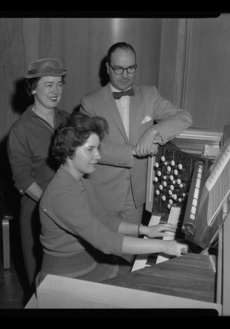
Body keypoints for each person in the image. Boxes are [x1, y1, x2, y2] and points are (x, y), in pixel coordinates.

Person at [37, 112, 188, 285]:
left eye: (98, 148)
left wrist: (144, 230)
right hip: (65, 276)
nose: (98, 156)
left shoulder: (79, 179)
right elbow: (106, 242)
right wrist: (164, 246)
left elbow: (105, 219)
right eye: (90, 150)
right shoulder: (61, 195)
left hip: (88, 262)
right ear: (68, 152)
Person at [79, 42, 192, 262]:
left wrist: (154, 133)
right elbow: (90, 147)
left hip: (136, 194)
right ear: (107, 68)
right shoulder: (90, 102)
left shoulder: (150, 95)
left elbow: (184, 117)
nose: (125, 75)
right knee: (104, 256)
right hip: (103, 193)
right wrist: (134, 151)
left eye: (131, 68)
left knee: (129, 257)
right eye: (119, 69)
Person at [8, 58, 70, 292]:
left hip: (69, 205)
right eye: (48, 84)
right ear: (33, 88)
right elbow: (23, 180)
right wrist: (52, 206)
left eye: (59, 84)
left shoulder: (67, 120)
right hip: (38, 210)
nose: (55, 91)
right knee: (41, 280)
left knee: (67, 278)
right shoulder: (20, 130)